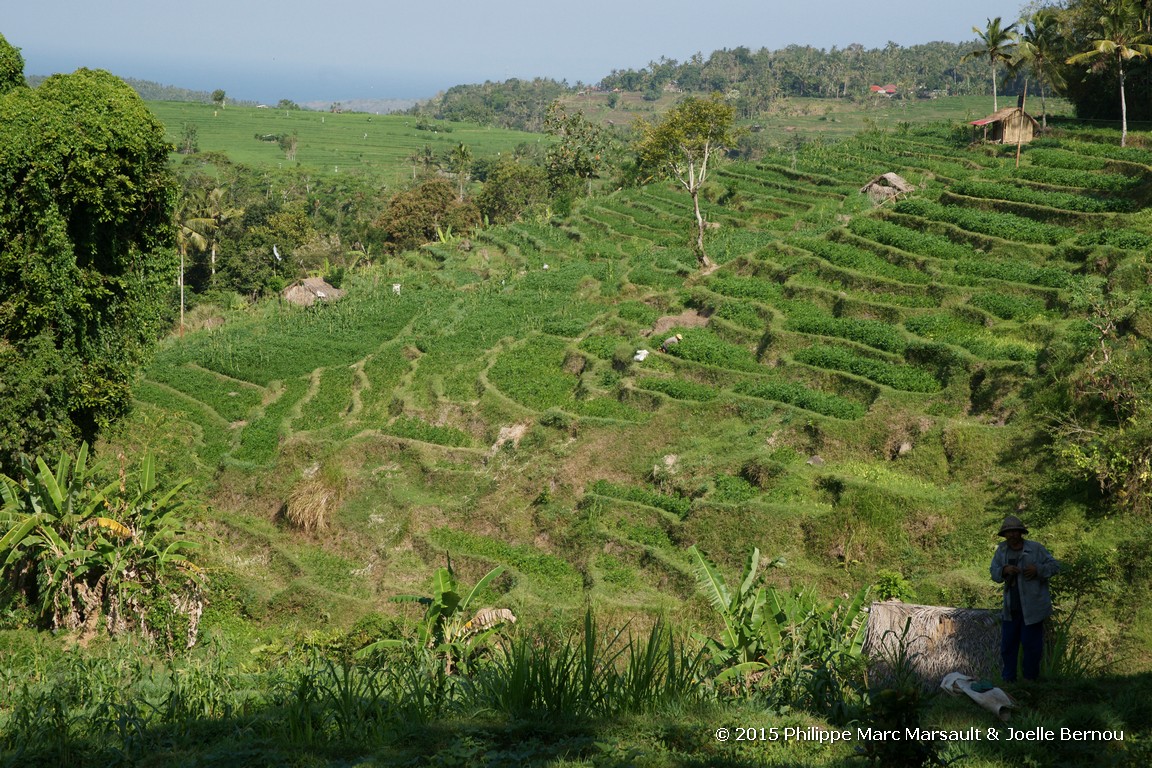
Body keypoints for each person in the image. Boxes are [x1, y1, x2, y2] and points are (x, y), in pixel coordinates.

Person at [990, 515, 1059, 682]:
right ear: (1004, 535)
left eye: (1015, 531)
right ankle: (1009, 681)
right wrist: (1004, 570)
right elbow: (994, 572)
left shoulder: (1035, 549)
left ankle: (1030, 680)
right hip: (1010, 609)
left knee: (1032, 647)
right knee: (1008, 647)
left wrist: (1038, 570)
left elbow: (1054, 566)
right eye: (1008, 532)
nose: (1012, 535)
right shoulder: (1001, 551)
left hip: (1033, 609)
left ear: (1021, 532)